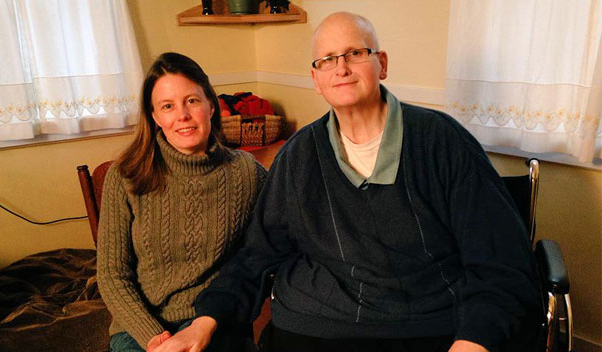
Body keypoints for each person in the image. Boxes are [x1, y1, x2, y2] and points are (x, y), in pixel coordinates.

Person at [178, 12, 542, 352]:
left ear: (381, 64)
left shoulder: (442, 141)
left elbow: (501, 263)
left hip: (426, 325)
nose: (341, 68)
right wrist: (204, 321)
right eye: (328, 60)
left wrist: (474, 340)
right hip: (314, 324)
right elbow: (256, 255)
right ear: (316, 79)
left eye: (354, 53)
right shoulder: (299, 155)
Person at [96, 52, 266, 352]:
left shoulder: (246, 172)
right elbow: (112, 274)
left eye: (192, 101)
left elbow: (274, 243)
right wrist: (155, 338)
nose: (182, 116)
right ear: (155, 116)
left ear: (211, 105)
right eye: (168, 106)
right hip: (140, 326)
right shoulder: (125, 176)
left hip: (213, 320)